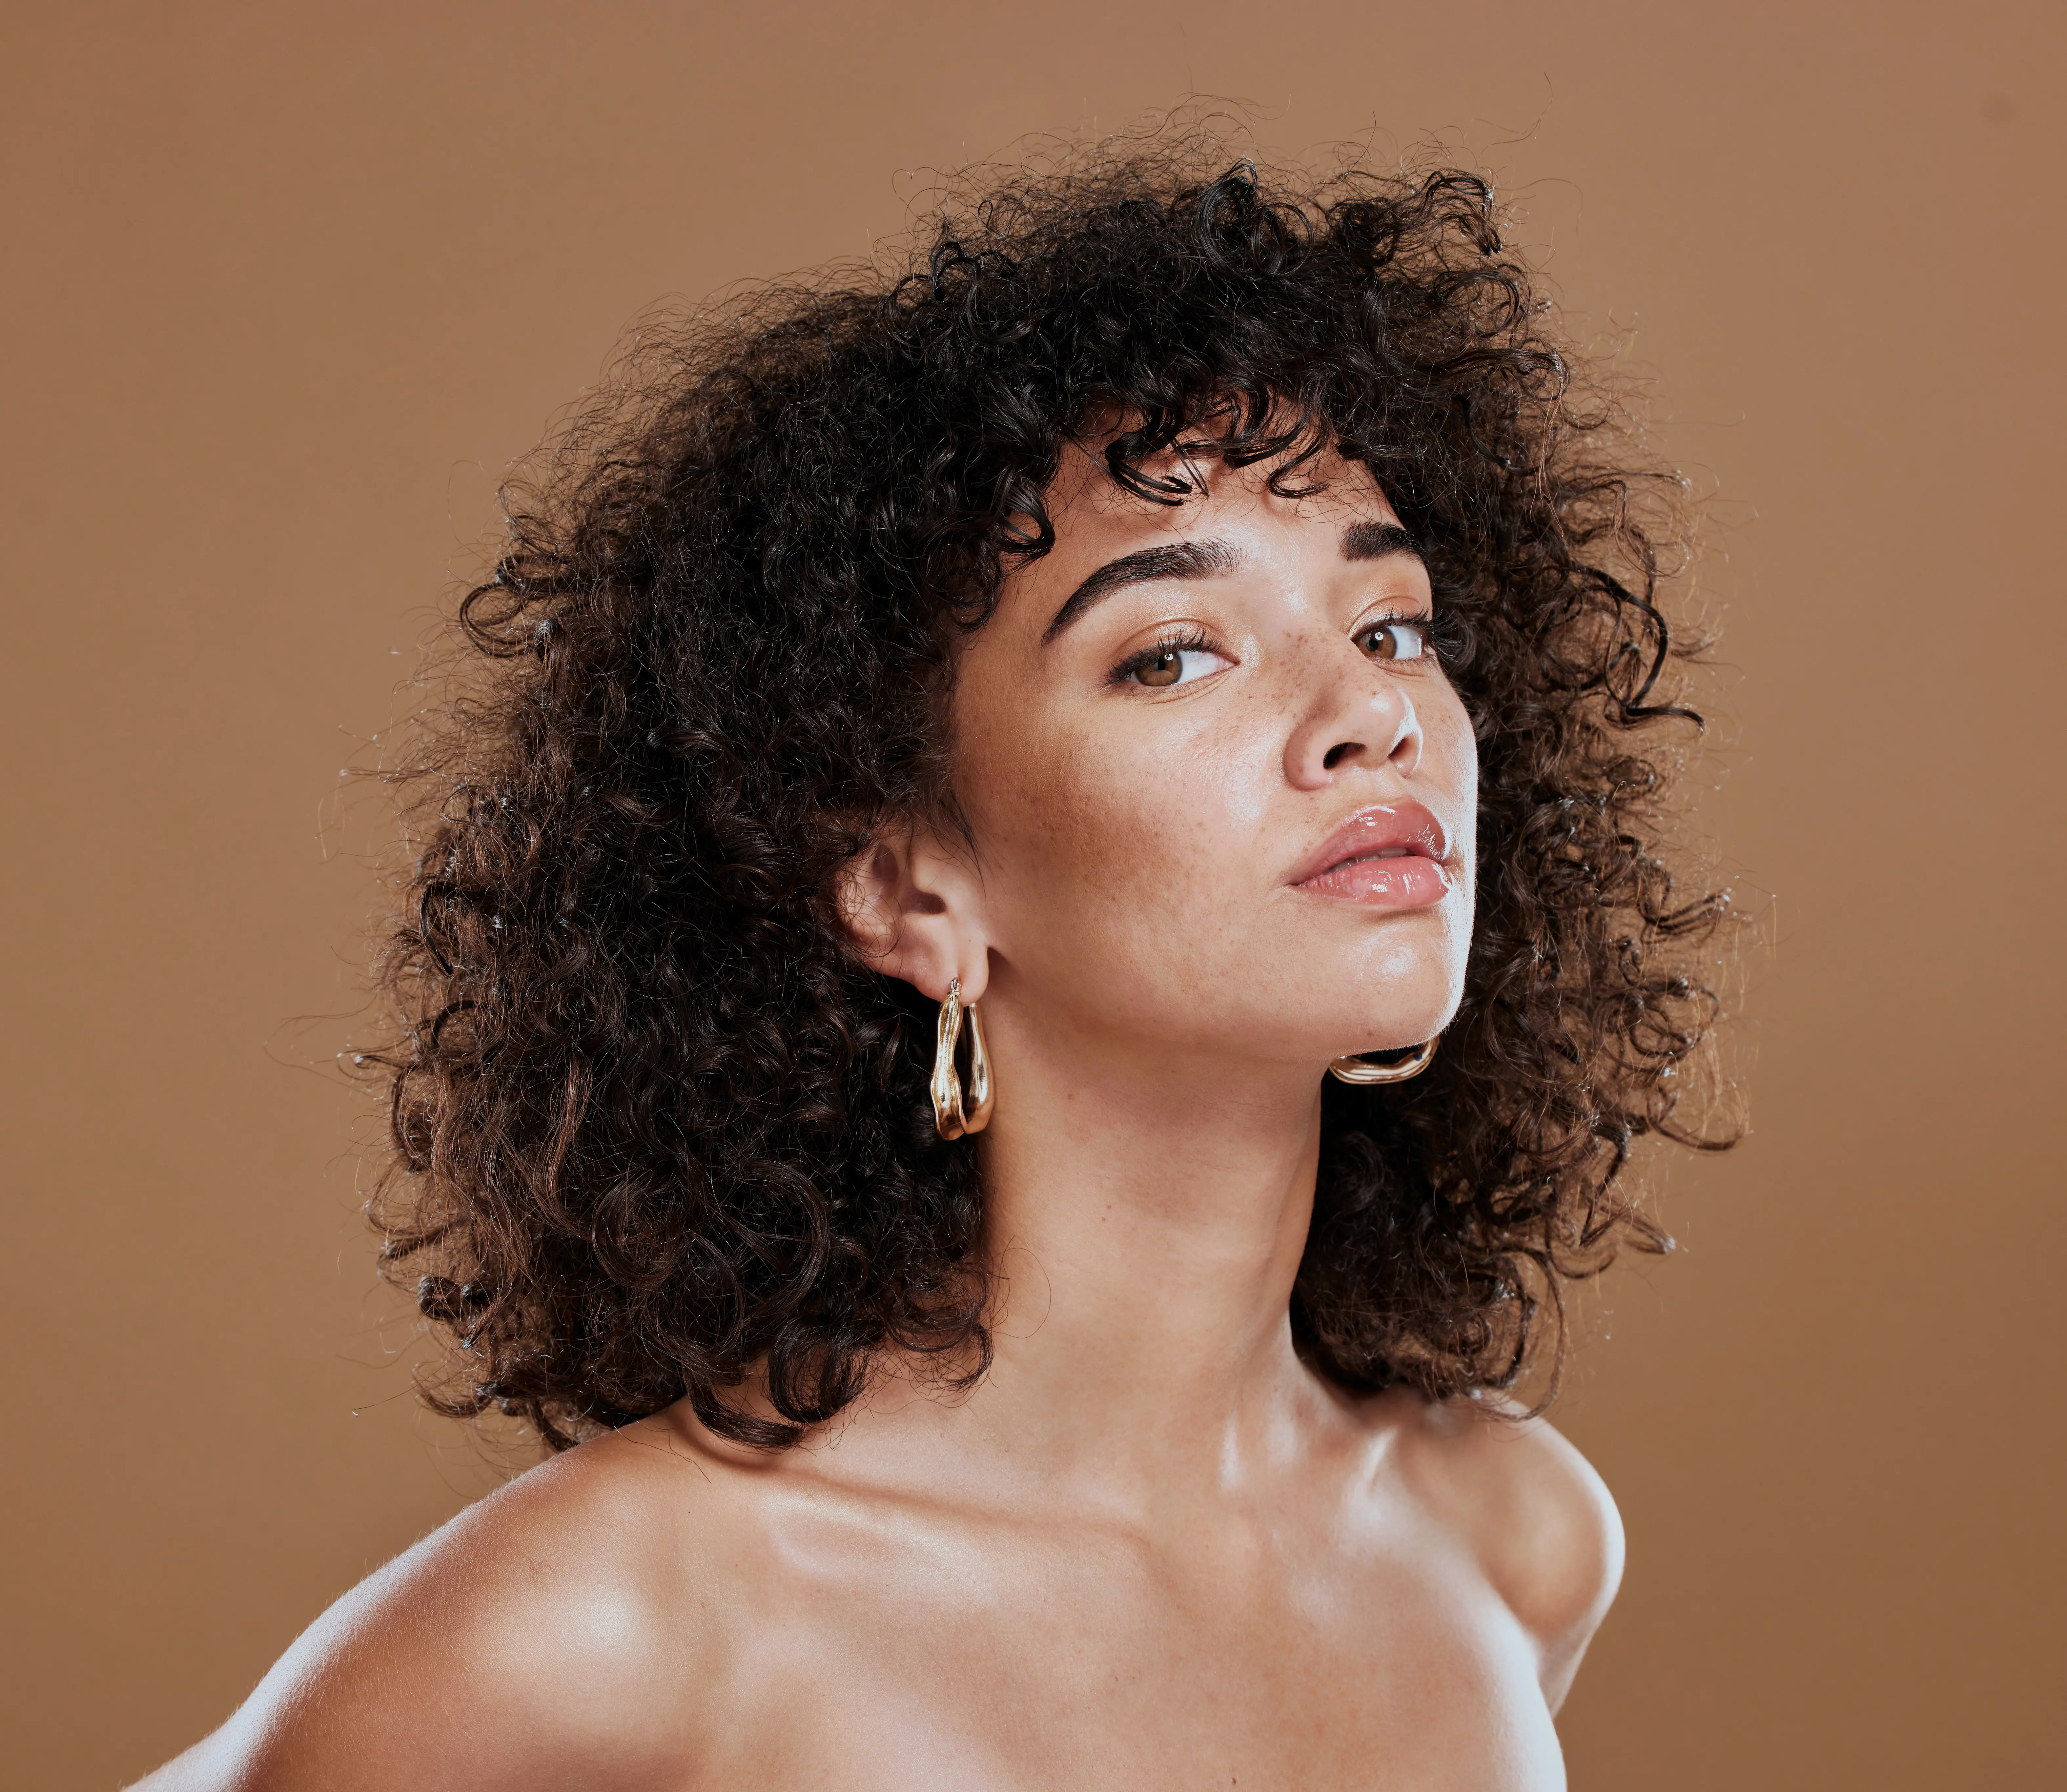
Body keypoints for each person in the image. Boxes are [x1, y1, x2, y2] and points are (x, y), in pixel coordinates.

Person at [135, 135, 1726, 1790]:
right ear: (909, 888)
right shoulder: (634, 1618)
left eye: (1393, 628)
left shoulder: (1513, 1540)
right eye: (1173, 652)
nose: (1373, 716)